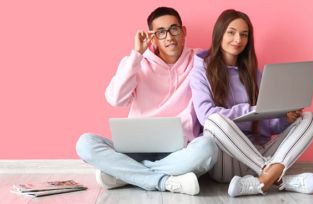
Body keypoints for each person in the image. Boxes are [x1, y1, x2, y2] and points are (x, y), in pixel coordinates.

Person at [76, 7, 218, 196]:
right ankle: (164, 181)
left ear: (183, 32)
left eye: (174, 29)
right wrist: (136, 55)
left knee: (208, 148)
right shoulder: (136, 62)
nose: (169, 37)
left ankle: (126, 174)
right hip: (134, 149)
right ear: (153, 38)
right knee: (85, 143)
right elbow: (115, 99)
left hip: (179, 151)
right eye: (161, 32)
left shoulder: (201, 61)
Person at [190, 9, 313, 197]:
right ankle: (277, 177)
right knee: (214, 120)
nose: (238, 39)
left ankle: (261, 181)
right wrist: (252, 109)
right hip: (226, 161)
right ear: (219, 33)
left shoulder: (253, 73)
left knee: (312, 118)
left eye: (244, 35)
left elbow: (264, 122)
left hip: (257, 150)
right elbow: (205, 116)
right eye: (231, 32)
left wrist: (285, 119)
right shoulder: (200, 71)